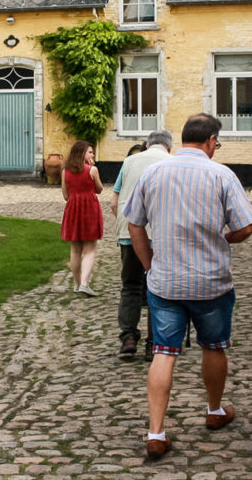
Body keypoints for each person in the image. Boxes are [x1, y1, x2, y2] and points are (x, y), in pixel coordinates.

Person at [124, 114, 252, 460]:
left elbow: (134, 223)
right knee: (214, 347)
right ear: (211, 140)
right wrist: (227, 236)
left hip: (165, 281)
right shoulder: (222, 175)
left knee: (164, 353)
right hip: (211, 282)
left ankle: (156, 432)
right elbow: (247, 226)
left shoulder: (153, 173)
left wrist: (148, 262)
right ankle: (214, 410)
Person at [111, 131, 173, 362]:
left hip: (129, 233)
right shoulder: (170, 162)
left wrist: (123, 227)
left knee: (130, 286)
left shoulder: (129, 161)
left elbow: (114, 202)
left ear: (147, 145)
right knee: (156, 290)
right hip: (159, 236)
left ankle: (128, 338)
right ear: (169, 147)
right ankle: (153, 344)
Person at [61, 140, 104, 296]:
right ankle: (84, 284)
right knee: (90, 248)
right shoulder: (92, 170)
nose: (92, 154)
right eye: (90, 152)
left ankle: (77, 283)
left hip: (72, 209)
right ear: (82, 154)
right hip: (89, 209)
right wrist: (93, 169)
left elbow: (66, 195)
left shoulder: (65, 171)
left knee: (75, 249)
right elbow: (99, 189)